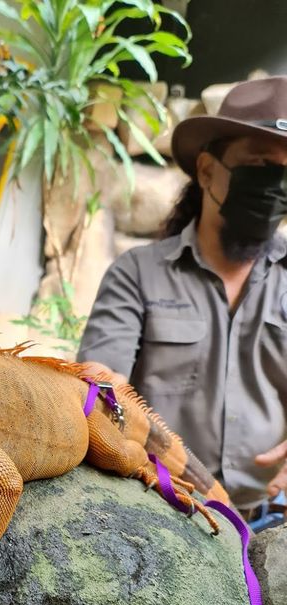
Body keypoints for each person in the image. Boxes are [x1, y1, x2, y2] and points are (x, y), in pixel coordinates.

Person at [76, 76, 287, 532]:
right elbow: (98, 387)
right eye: (260, 168)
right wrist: (101, 391)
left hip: (273, 517)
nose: (275, 188)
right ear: (208, 171)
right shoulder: (137, 274)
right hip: (164, 510)